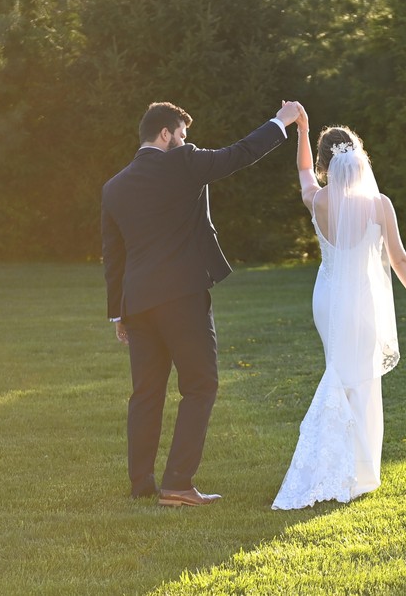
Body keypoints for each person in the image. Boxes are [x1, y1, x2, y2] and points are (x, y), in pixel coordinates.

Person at [102, 100, 302, 507]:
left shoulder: (114, 186)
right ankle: (177, 484)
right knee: (200, 385)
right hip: (181, 297)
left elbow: (114, 256)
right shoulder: (184, 163)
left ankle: (142, 484)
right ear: (165, 134)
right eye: (183, 134)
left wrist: (118, 313)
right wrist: (282, 122)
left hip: (138, 303)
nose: (186, 141)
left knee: (145, 393)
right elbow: (241, 153)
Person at [272, 106, 406, 510]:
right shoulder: (380, 204)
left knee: (340, 372)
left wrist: (303, 130)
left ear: (325, 164)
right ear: (359, 161)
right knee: (363, 381)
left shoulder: (316, 201)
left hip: (328, 300)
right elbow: (400, 261)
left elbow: (302, 173)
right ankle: (359, 471)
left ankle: (338, 464)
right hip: (362, 301)